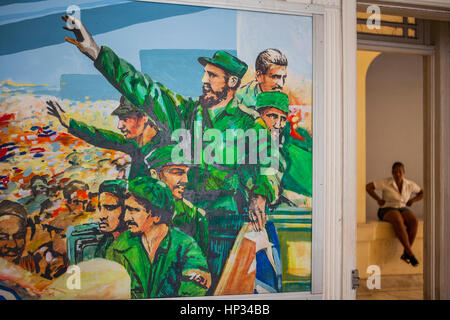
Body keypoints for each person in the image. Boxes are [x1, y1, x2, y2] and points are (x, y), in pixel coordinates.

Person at [106, 176, 211, 298]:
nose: (126, 218)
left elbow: (195, 290)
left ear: (156, 215)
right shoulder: (120, 246)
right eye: (126, 210)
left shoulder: (185, 246)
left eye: (133, 210)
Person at [47, 96, 164, 180]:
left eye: (125, 119)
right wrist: (70, 123)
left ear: (144, 117)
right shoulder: (135, 146)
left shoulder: (165, 148)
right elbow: (101, 137)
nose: (119, 126)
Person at [147, 145, 209, 256]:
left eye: (186, 173)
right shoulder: (135, 209)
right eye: (178, 173)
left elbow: (200, 261)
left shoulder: (195, 216)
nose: (185, 180)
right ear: (154, 174)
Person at [366, 162, 424, 267]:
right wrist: (378, 199)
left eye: (400, 171)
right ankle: (410, 253)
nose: (397, 174)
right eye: (395, 172)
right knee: (398, 219)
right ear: (392, 173)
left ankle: (406, 253)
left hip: (402, 207)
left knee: (414, 221)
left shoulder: (409, 184)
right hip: (387, 208)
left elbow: (422, 193)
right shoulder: (386, 182)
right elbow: (368, 187)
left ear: (404, 172)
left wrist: (413, 200)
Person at [67, 180, 128, 265]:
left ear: (126, 211)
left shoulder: (134, 248)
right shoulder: (105, 243)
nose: (101, 216)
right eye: (100, 208)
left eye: (109, 208)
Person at [235, 48, 288, 118]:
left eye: (283, 77)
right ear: (259, 76)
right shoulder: (240, 101)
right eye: (275, 77)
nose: (281, 84)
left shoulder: (279, 99)